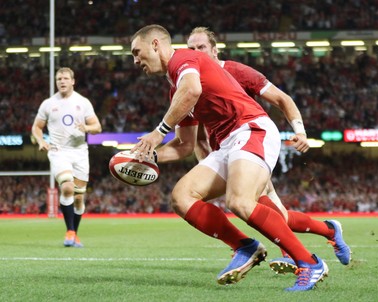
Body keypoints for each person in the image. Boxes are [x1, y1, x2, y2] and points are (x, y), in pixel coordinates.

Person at [130, 24, 328, 291]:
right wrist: (145, 155)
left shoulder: (183, 59)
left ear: (155, 44)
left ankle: (310, 263)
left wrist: (158, 132)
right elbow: (184, 146)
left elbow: (192, 92)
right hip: (228, 144)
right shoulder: (175, 85)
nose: (135, 60)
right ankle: (245, 246)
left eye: (136, 52)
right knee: (182, 197)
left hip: (251, 129)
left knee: (240, 201)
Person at [186, 27, 351, 274]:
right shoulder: (190, 84)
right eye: (191, 49)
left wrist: (300, 131)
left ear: (214, 50)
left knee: (258, 208)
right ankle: (327, 231)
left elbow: (283, 99)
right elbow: (197, 140)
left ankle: (296, 255)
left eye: (201, 47)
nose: (196, 53)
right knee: (276, 215)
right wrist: (209, 167)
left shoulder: (235, 71)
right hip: (226, 154)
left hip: (250, 145)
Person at [31, 67, 102, 248]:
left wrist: (86, 128)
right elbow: (36, 127)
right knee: (68, 187)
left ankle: (74, 233)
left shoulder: (83, 102)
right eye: (59, 79)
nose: (61, 81)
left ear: (73, 81)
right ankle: (70, 231)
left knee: (79, 199)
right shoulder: (48, 104)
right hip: (58, 151)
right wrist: (40, 140)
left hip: (79, 152)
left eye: (65, 78)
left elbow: (97, 127)